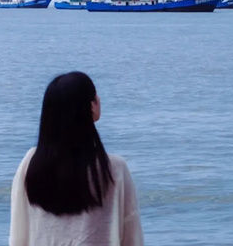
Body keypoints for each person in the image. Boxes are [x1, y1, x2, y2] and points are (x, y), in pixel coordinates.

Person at [9, 72, 144, 246]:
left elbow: (18, 234)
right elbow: (132, 237)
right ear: (92, 107)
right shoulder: (114, 169)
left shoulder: (30, 163)